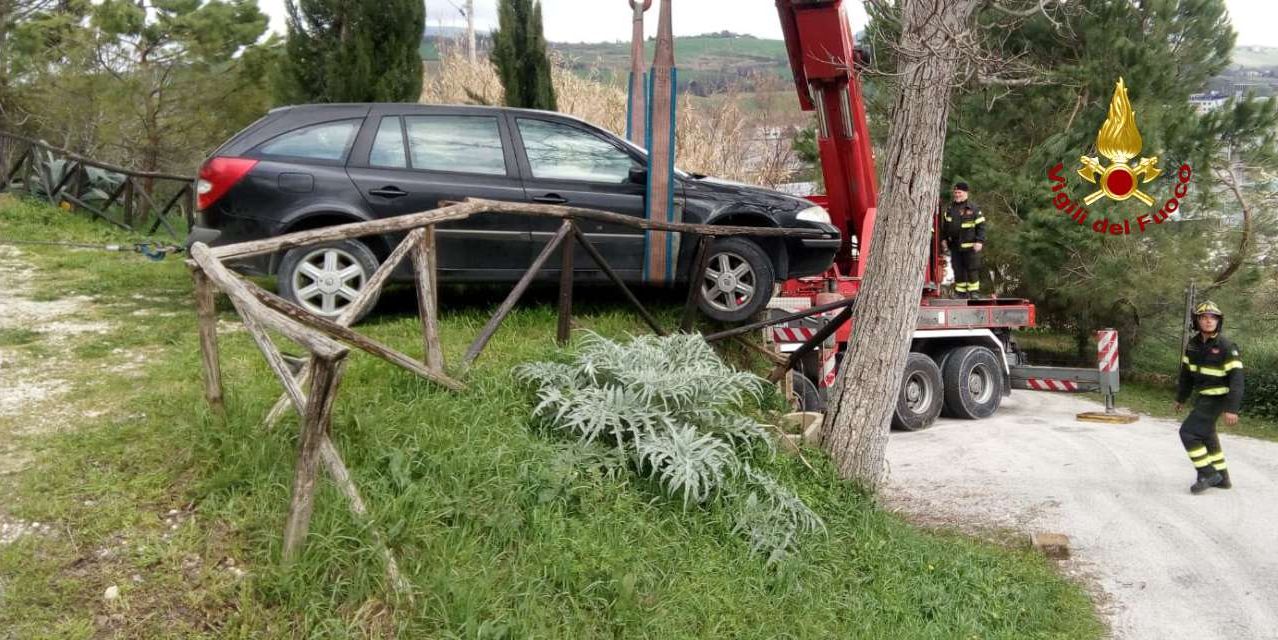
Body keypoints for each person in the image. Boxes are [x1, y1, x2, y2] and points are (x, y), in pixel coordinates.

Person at [1174, 301, 1244, 493]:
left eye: (1213, 318)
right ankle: (1222, 478)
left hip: (1218, 399)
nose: (1208, 321)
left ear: (1218, 321)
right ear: (1197, 321)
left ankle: (1207, 472)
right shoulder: (1193, 345)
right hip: (1203, 397)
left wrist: (1232, 409)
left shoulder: (1227, 346)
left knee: (1188, 433)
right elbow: (1186, 375)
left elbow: (1237, 381)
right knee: (1207, 435)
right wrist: (1181, 398)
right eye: (1204, 317)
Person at [941, 182, 985, 299]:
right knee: (958, 270)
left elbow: (981, 227)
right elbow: (945, 226)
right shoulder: (950, 208)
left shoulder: (973, 208)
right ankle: (961, 293)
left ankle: (974, 292)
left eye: (959, 192)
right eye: (955, 193)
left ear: (966, 193)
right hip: (954, 246)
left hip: (970, 246)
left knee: (972, 269)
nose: (957, 195)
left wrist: (979, 241)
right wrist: (944, 239)